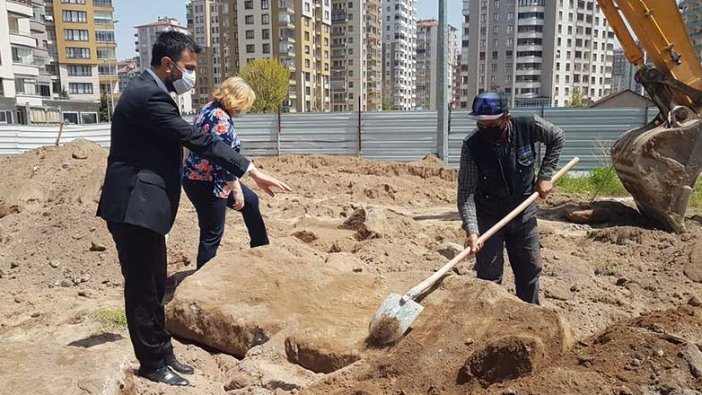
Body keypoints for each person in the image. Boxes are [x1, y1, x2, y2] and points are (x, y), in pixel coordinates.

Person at [96, 31, 291, 387]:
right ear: (167, 64)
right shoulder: (148, 95)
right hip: (133, 206)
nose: (191, 76)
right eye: (188, 67)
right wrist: (252, 171)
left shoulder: (151, 91)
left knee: (155, 285)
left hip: (145, 206)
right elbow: (197, 140)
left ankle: (164, 353)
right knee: (142, 289)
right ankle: (153, 364)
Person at [457, 91, 564, 305]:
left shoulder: (528, 125)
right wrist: (472, 229)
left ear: (506, 117)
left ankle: (530, 315)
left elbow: (557, 136)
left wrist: (545, 176)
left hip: (523, 210)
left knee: (529, 270)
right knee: (489, 277)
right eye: (481, 124)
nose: (485, 129)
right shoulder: (472, 146)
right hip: (489, 215)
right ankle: (488, 323)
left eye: (491, 124)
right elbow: (466, 191)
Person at [183, 77, 269, 269]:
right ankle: (203, 278)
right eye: (244, 104)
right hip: (205, 181)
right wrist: (236, 190)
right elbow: (222, 159)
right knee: (212, 232)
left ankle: (262, 249)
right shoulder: (219, 120)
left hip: (208, 178)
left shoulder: (210, 108)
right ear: (236, 99)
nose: (244, 109)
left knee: (251, 201)